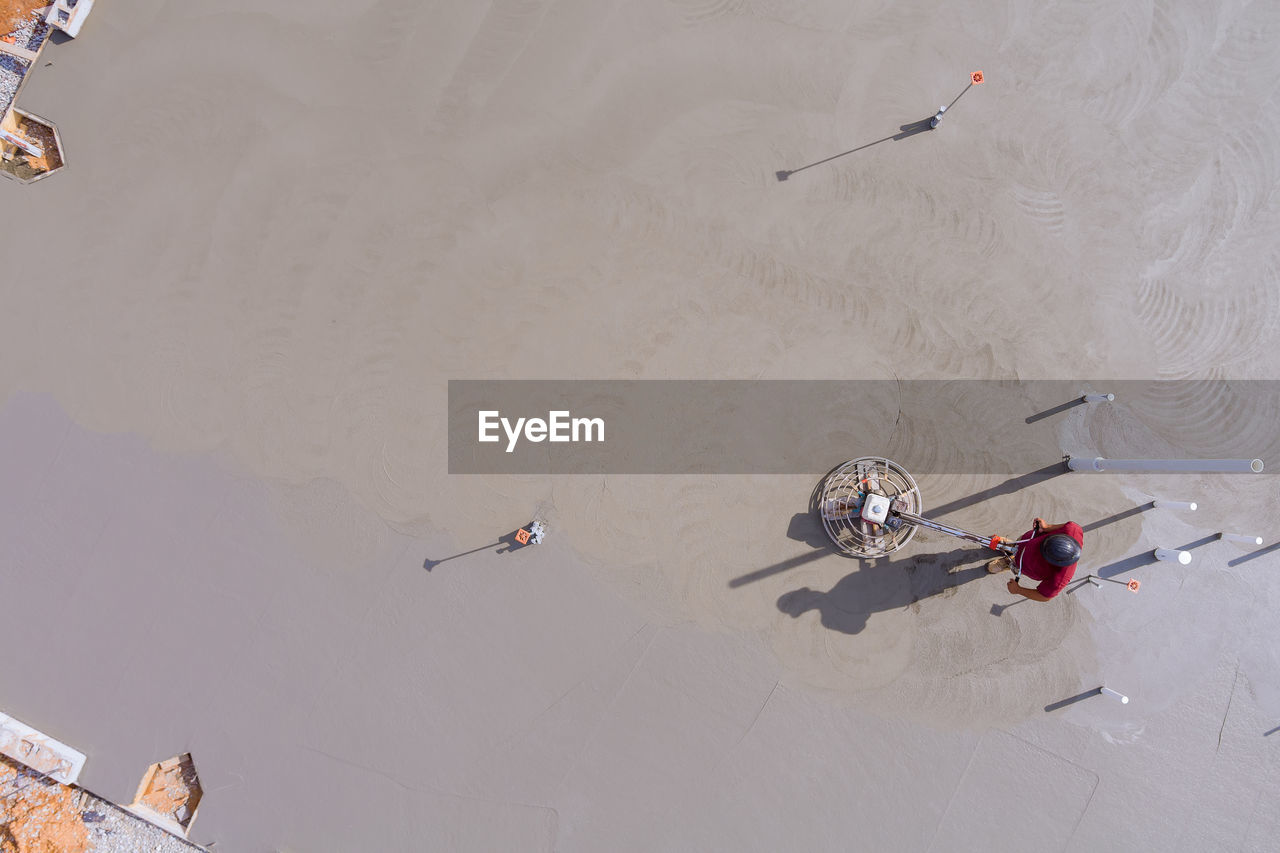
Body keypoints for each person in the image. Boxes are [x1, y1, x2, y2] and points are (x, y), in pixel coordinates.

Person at [987, 517, 1083, 601]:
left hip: (1026, 565)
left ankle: (1010, 562)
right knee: (1019, 542)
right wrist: (1047, 527)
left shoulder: (1060, 578)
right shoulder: (1073, 530)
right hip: (1027, 540)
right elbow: (1067, 525)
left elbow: (1044, 596)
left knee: (1016, 563)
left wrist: (1018, 590)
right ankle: (1012, 545)